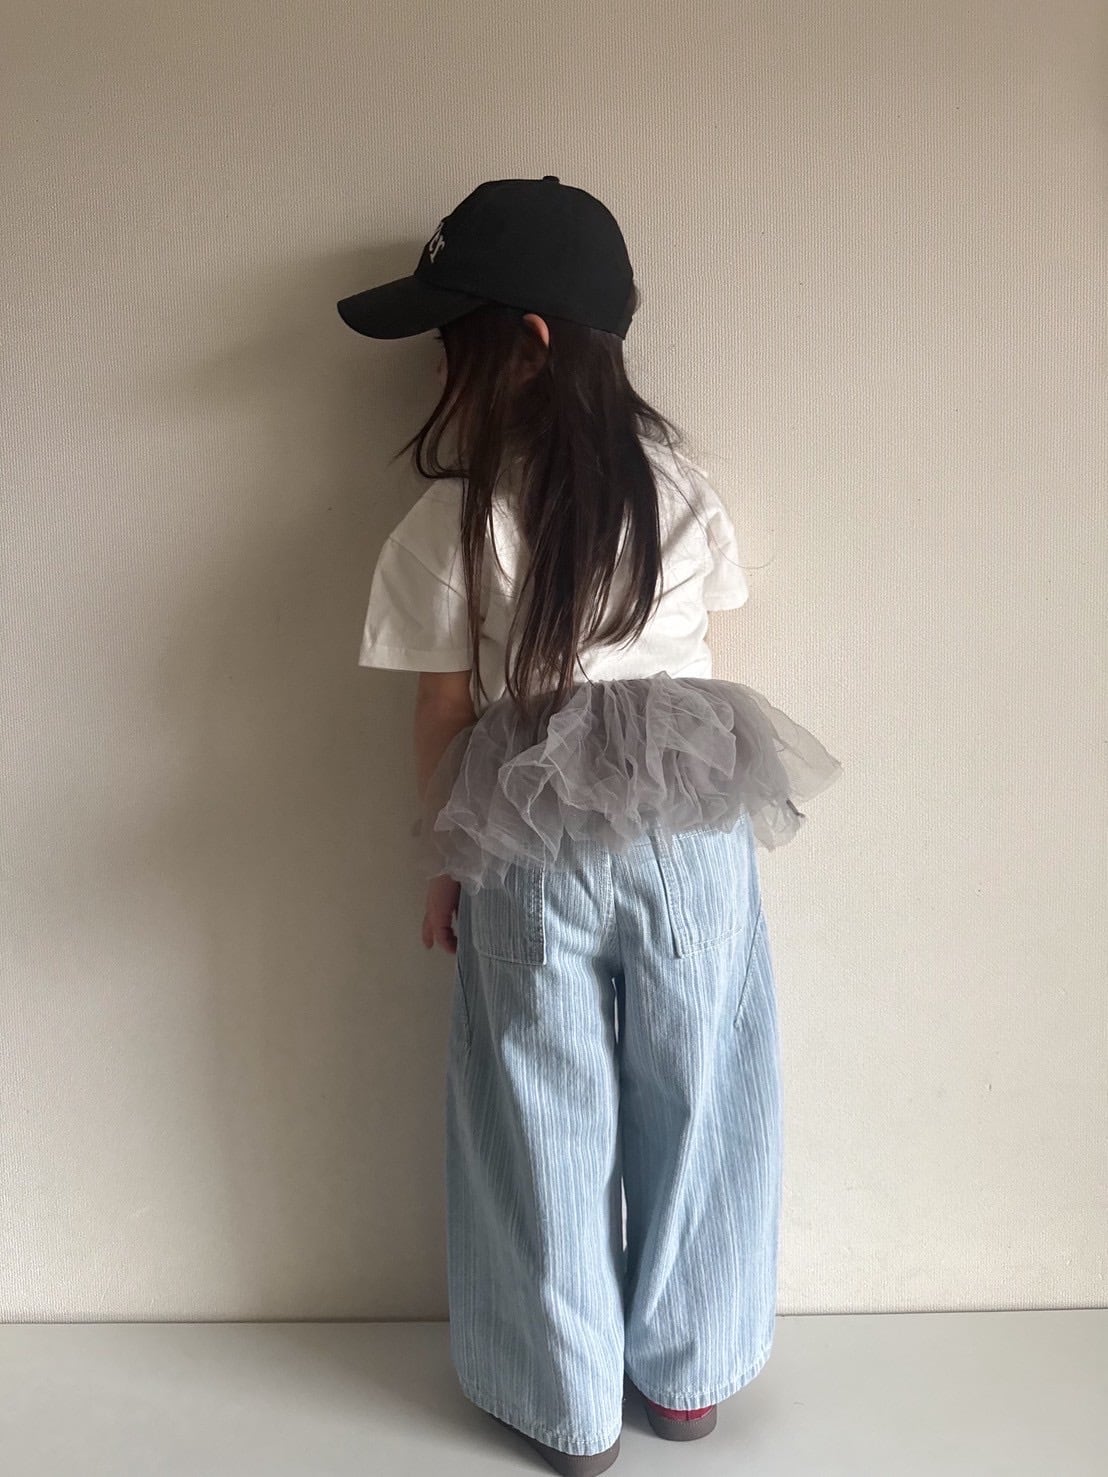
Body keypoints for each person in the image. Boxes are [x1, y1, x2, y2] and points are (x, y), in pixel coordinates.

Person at [336, 176, 841, 1477]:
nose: (439, 369)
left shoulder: (450, 520)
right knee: (706, 1081)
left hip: (529, 833)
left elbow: (445, 712)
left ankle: (565, 1403)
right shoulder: (681, 487)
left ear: (530, 341)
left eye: (454, 338)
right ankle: (689, 1373)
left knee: (536, 1105)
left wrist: (448, 862)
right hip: (690, 817)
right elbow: (700, 645)